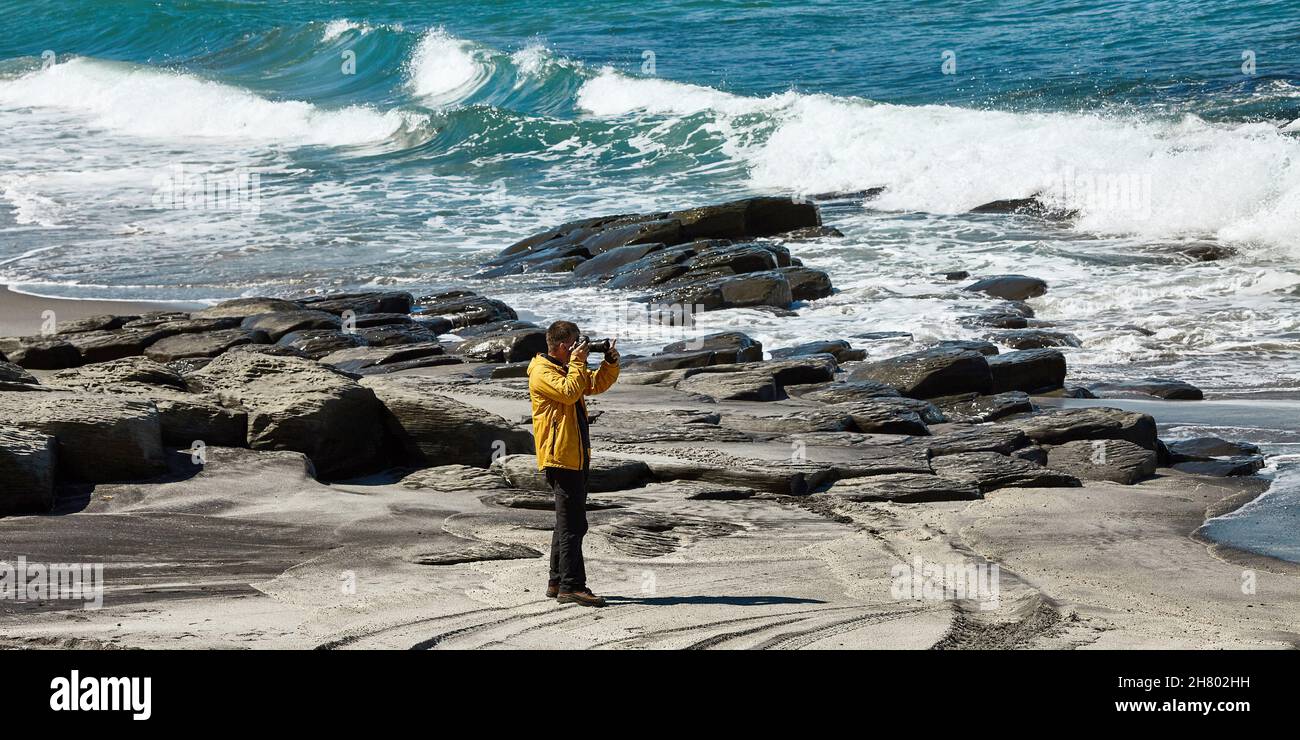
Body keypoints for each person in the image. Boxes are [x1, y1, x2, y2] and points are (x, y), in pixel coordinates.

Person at [526, 321, 620, 607]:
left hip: (574, 455)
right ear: (565, 345)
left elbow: (592, 384)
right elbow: (568, 392)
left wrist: (609, 363)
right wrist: (578, 361)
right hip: (561, 458)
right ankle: (573, 587)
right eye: (577, 342)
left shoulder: (564, 368)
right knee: (574, 526)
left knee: (565, 524)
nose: (582, 346)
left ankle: (557, 581)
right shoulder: (542, 372)